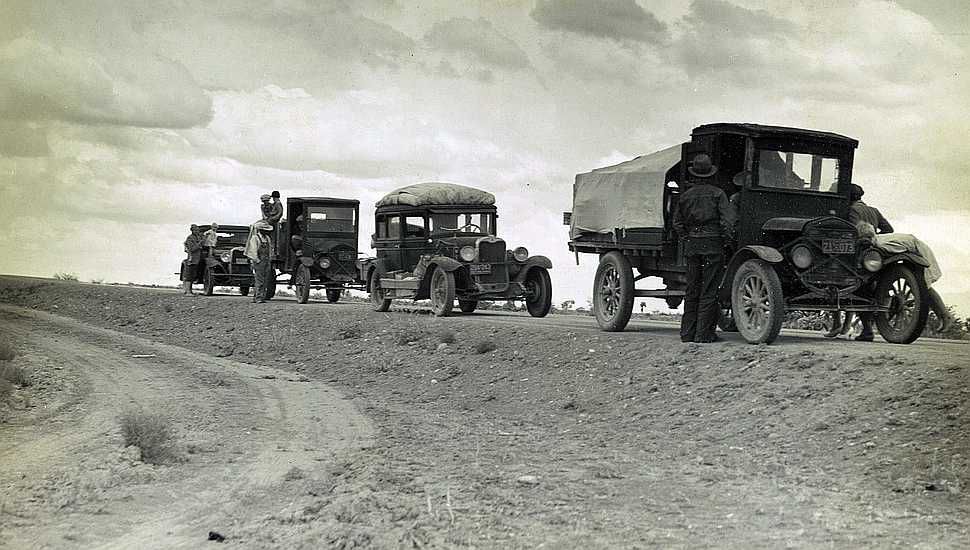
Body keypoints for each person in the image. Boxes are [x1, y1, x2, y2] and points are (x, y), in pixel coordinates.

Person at [672, 153, 736, 343]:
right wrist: (725, 241)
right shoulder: (718, 194)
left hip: (693, 246)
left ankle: (687, 334)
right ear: (710, 174)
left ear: (694, 174)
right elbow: (728, 222)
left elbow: (677, 223)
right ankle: (704, 335)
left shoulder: (686, 196)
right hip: (713, 245)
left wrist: (688, 237)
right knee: (709, 290)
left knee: (692, 289)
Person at [857, 221, 956, 335]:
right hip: (913, 247)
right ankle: (942, 316)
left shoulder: (883, 245)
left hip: (918, 251)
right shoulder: (877, 241)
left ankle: (945, 316)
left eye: (866, 239)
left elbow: (902, 252)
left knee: (924, 287)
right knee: (923, 289)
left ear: (870, 237)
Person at [826, 183, 896, 339]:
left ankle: (838, 324)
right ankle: (865, 329)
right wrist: (874, 235)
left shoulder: (851, 210)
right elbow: (889, 230)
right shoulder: (874, 210)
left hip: (855, 254)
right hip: (871, 256)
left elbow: (851, 230)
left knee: (833, 282)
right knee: (866, 292)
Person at [245, 220, 275, 303]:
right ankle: (258, 297)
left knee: (265, 280)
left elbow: (270, 250)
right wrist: (257, 260)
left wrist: (269, 259)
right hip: (259, 261)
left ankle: (260, 297)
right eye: (265, 230)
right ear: (261, 230)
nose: (267, 231)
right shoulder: (255, 238)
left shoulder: (267, 238)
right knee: (259, 280)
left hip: (266, 261)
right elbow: (253, 251)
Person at [181, 224, 204, 296]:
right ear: (192, 230)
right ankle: (188, 292)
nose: (197, 231)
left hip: (197, 259)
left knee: (193, 275)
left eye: (198, 230)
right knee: (189, 275)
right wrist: (199, 244)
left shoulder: (198, 237)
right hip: (192, 259)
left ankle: (190, 291)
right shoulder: (190, 238)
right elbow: (192, 249)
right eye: (195, 230)